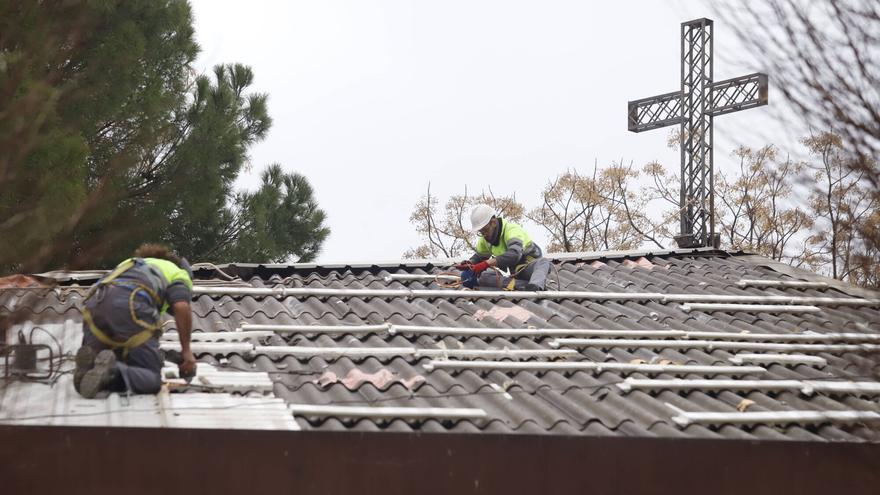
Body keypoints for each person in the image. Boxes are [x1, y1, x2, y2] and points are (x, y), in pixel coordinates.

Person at [73, 243, 197, 399]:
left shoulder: (128, 264)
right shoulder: (177, 272)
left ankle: (87, 369)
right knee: (151, 379)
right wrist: (187, 352)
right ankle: (113, 371)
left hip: (94, 307)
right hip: (130, 304)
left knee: (105, 360)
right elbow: (181, 306)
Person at [456, 204, 551, 291]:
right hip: (515, 274)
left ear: (493, 222)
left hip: (529, 269)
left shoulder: (512, 230)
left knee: (543, 262)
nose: (484, 234)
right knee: (473, 276)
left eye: (485, 230)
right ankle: (522, 285)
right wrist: (470, 263)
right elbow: (479, 257)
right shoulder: (485, 239)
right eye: (481, 232)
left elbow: (514, 254)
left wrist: (486, 263)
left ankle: (536, 286)